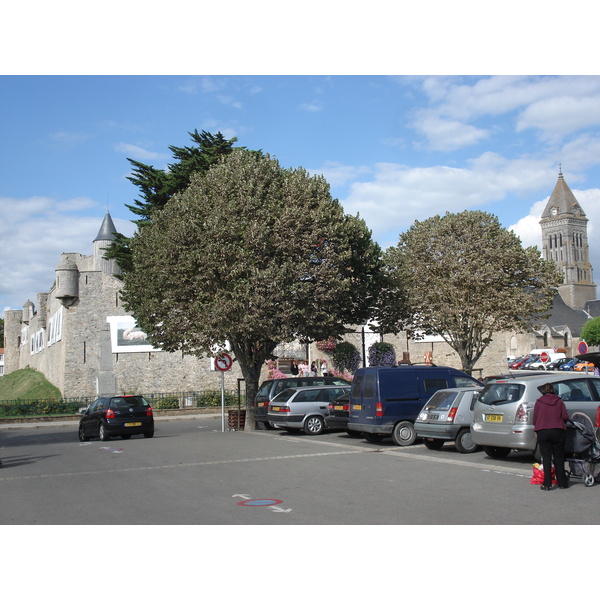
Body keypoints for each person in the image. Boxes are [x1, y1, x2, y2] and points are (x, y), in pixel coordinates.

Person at [533, 383, 569, 490]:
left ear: (543, 391)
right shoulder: (559, 401)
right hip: (557, 430)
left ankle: (547, 484)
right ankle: (562, 483)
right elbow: (565, 417)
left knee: (546, 458)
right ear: (554, 391)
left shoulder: (539, 402)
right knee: (559, 457)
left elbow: (535, 418)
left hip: (543, 431)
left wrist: (537, 428)